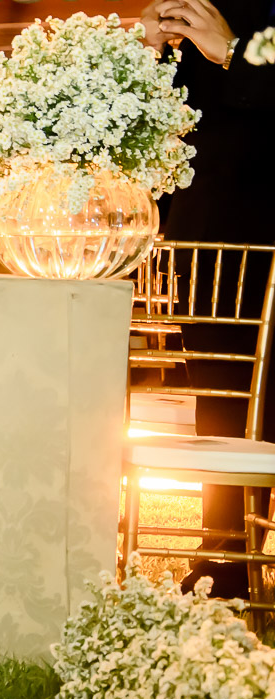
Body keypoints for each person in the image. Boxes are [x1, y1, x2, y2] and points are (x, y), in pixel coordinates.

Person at [139, 0, 275, 598]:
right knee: (221, 403)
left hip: (267, 229)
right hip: (206, 241)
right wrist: (145, 56)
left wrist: (235, 49)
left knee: (264, 403)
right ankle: (226, 548)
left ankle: (237, 547)